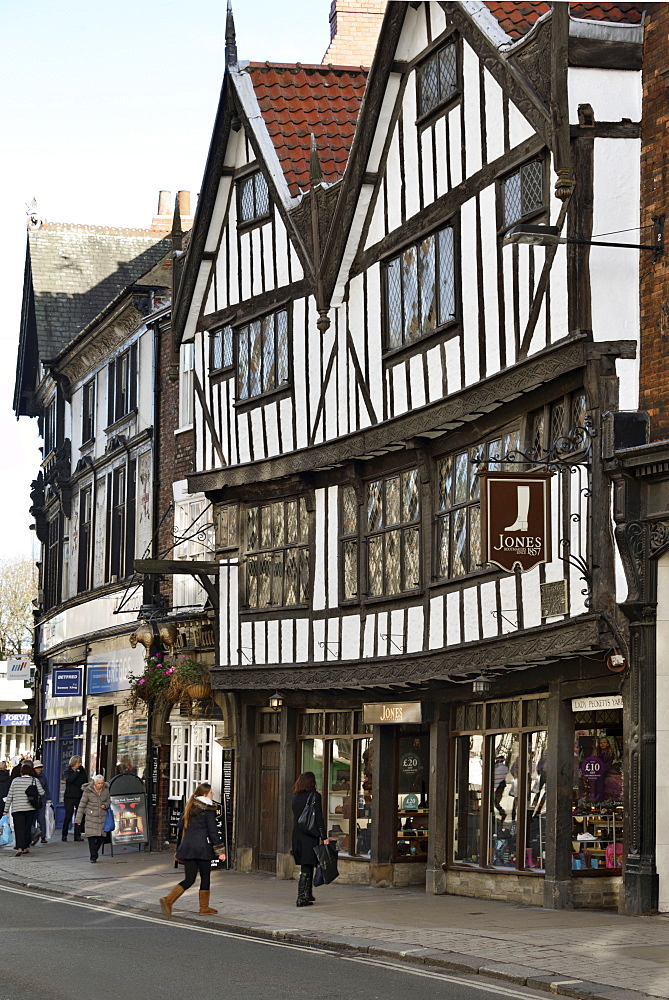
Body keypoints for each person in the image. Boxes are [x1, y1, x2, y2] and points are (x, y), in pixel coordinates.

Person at [160, 782, 226, 918]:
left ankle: (168, 900)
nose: (213, 794)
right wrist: (220, 851)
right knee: (205, 877)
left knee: (189, 879)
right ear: (205, 794)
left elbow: (179, 825)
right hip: (202, 849)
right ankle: (204, 907)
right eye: (211, 792)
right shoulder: (208, 809)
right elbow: (213, 831)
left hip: (188, 847)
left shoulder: (190, 806)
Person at [291, 771, 331, 908]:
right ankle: (301, 897)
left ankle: (308, 894)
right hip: (309, 835)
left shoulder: (295, 797)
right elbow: (318, 818)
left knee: (305, 864)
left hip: (297, 835)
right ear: (311, 782)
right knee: (307, 866)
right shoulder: (315, 796)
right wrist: (324, 836)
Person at [2, 762, 45, 857]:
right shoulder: (34, 780)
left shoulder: (15, 781)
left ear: (21, 772)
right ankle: (26, 847)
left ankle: (19, 847)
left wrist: (5, 810)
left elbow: (10, 796)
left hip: (17, 809)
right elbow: (42, 792)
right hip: (30, 808)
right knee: (27, 828)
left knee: (19, 828)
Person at [75, 775, 111, 863]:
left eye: (102, 783)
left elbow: (109, 801)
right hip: (91, 817)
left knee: (101, 837)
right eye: (99, 783)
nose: (100, 785)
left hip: (102, 817)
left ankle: (95, 852)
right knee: (91, 837)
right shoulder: (88, 791)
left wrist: (105, 805)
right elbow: (82, 806)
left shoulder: (106, 790)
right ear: (94, 783)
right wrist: (78, 820)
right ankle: (93, 856)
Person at [62, 756, 87, 841]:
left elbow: (85, 781)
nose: (80, 764)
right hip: (69, 796)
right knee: (68, 815)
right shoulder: (67, 771)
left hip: (79, 795)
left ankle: (77, 835)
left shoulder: (82, 771)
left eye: (80, 763)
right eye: (78, 763)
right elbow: (70, 780)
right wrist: (76, 772)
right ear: (74, 763)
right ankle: (64, 834)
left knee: (79, 816)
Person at [30, 761, 51, 844]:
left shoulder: (43, 776)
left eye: (40, 768)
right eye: (37, 768)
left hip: (41, 800)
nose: (39, 769)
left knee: (41, 819)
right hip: (32, 800)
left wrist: (48, 799)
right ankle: (33, 835)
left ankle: (43, 836)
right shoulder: (31, 777)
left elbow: (46, 788)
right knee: (32, 819)